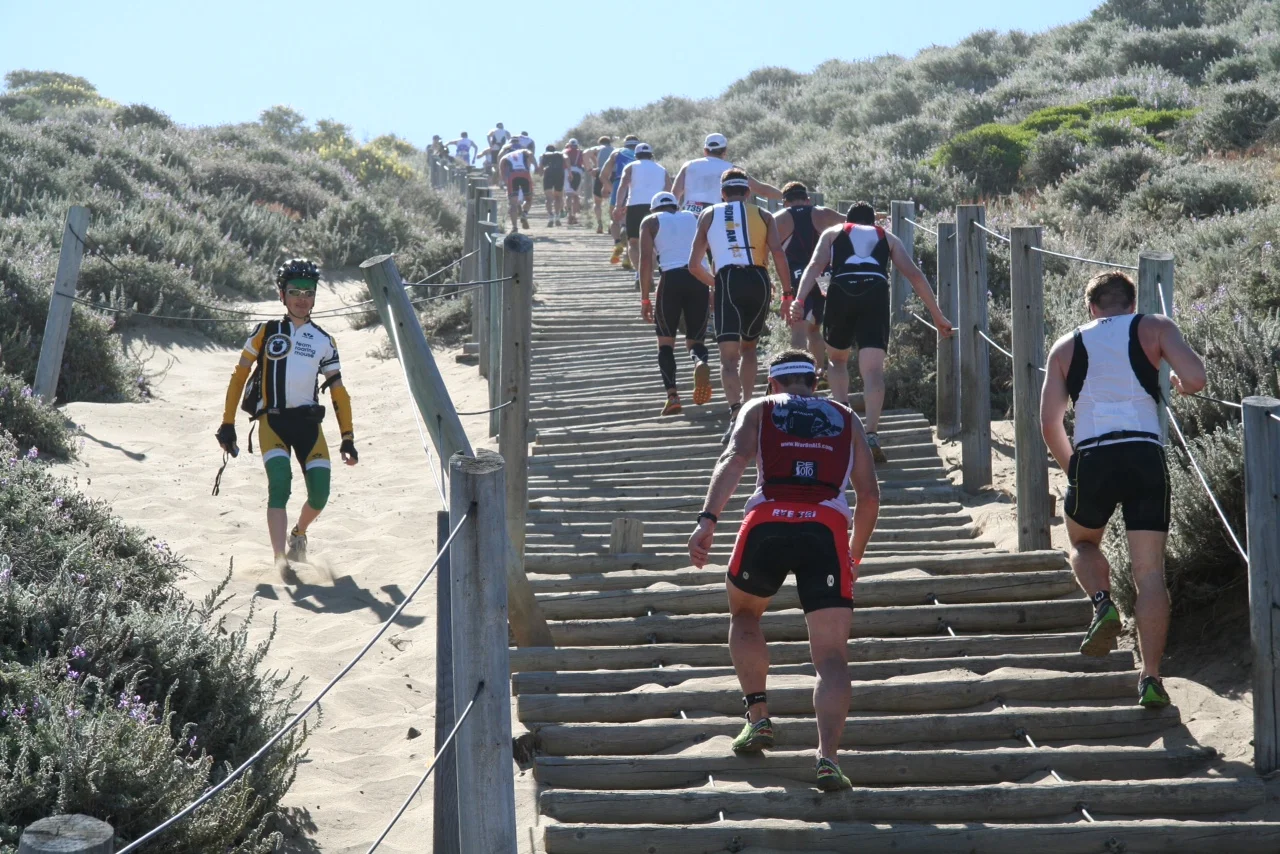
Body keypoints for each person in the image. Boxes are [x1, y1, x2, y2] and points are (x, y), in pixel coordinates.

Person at [688, 349, 879, 792]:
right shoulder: (846, 416)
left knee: (744, 614)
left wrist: (707, 521)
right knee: (831, 657)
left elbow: (734, 459)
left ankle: (758, 717)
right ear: (813, 383)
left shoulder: (759, 407)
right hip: (827, 528)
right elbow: (868, 496)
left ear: (773, 384)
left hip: (768, 521)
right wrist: (854, 553)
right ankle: (827, 758)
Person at [1040, 271, 1206, 709]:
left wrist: (1073, 468)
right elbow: (1196, 377)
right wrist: (1179, 385)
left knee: (1080, 540)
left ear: (1090, 307)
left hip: (1094, 453)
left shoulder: (1065, 345)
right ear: (1131, 304)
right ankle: (1151, 678)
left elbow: (1048, 423)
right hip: (1144, 453)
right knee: (1149, 574)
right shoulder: (1155, 327)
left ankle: (1101, 602)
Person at [215, 259, 359, 576]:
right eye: (295, 291)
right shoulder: (265, 332)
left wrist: (347, 437)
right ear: (282, 294)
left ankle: (299, 534)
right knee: (280, 484)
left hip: (308, 425)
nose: (302, 299)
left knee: (320, 495)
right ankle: (280, 559)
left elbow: (338, 391)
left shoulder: (324, 340)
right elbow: (239, 378)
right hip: (273, 423)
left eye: (309, 292)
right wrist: (228, 423)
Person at [791, 202, 953, 463]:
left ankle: (843, 425)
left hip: (841, 289)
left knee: (837, 360)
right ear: (873, 222)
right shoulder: (887, 237)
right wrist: (937, 315)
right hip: (875, 292)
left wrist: (799, 301)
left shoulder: (833, 232)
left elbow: (814, 266)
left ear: (849, 219)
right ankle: (871, 433)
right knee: (873, 370)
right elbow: (914, 274)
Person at [689, 169, 792, 445]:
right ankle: (749, 407)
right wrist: (787, 293)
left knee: (728, 358)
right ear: (748, 193)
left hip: (728, 279)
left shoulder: (709, 214)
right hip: (759, 280)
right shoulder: (764, 215)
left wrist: (716, 284)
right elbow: (779, 254)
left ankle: (735, 414)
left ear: (722, 193)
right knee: (750, 348)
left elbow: (693, 264)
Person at [638, 191, 713, 415]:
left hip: (670, 279)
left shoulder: (650, 221)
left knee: (665, 343)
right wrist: (712, 285)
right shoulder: (693, 217)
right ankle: (699, 362)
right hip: (698, 278)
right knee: (695, 340)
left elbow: (645, 260)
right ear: (674, 206)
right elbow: (710, 252)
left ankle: (672, 396)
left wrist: (645, 298)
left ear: (653, 209)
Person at [774, 182, 844, 384]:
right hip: (825, 275)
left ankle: (798, 376)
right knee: (816, 328)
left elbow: (771, 249)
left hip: (798, 275)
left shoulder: (781, 218)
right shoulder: (824, 213)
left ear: (785, 202)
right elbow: (852, 222)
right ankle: (819, 373)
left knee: (799, 328)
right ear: (807, 199)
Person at [672, 133, 780, 215]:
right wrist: (786, 195)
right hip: (717, 215)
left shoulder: (688, 165)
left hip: (688, 214)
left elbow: (674, 194)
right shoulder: (732, 169)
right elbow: (761, 189)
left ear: (705, 150)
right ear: (725, 152)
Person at [612, 143, 671, 277]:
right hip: (656, 207)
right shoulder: (661, 169)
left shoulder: (631, 167)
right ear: (651, 155)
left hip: (635, 206)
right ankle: (649, 271)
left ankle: (640, 273)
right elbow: (669, 189)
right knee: (655, 242)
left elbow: (622, 187)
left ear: (636, 156)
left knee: (633, 242)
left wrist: (618, 206)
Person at [599, 135, 640, 269]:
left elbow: (603, 175)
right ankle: (627, 259)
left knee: (614, 218)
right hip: (636, 186)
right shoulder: (643, 153)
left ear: (625, 143)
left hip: (618, 183)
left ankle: (617, 242)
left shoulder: (617, 152)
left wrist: (611, 189)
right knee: (631, 224)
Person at [499, 146, 535, 230]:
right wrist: (536, 165)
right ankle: (524, 214)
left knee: (513, 204)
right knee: (528, 199)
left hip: (513, 177)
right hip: (525, 174)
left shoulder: (505, 157)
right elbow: (530, 154)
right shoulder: (522, 152)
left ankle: (514, 226)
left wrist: (505, 182)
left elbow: (502, 171)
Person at [584, 136, 614, 235]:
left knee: (597, 202)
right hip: (613, 174)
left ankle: (599, 223)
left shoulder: (599, 148)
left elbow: (585, 153)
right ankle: (611, 224)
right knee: (612, 201)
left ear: (600, 143)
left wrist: (589, 169)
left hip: (600, 173)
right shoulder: (614, 150)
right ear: (609, 143)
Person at [538, 144, 567, 227]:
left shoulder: (543, 155)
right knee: (558, 197)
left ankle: (551, 216)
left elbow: (540, 166)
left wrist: (540, 172)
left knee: (548, 198)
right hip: (559, 174)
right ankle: (557, 216)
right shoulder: (560, 154)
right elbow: (566, 159)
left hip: (548, 174)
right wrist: (569, 170)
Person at [563, 138, 585, 225]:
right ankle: (574, 216)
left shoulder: (565, 151)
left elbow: (564, 160)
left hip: (567, 172)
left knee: (568, 195)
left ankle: (569, 215)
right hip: (578, 171)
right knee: (576, 196)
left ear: (569, 144)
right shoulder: (581, 152)